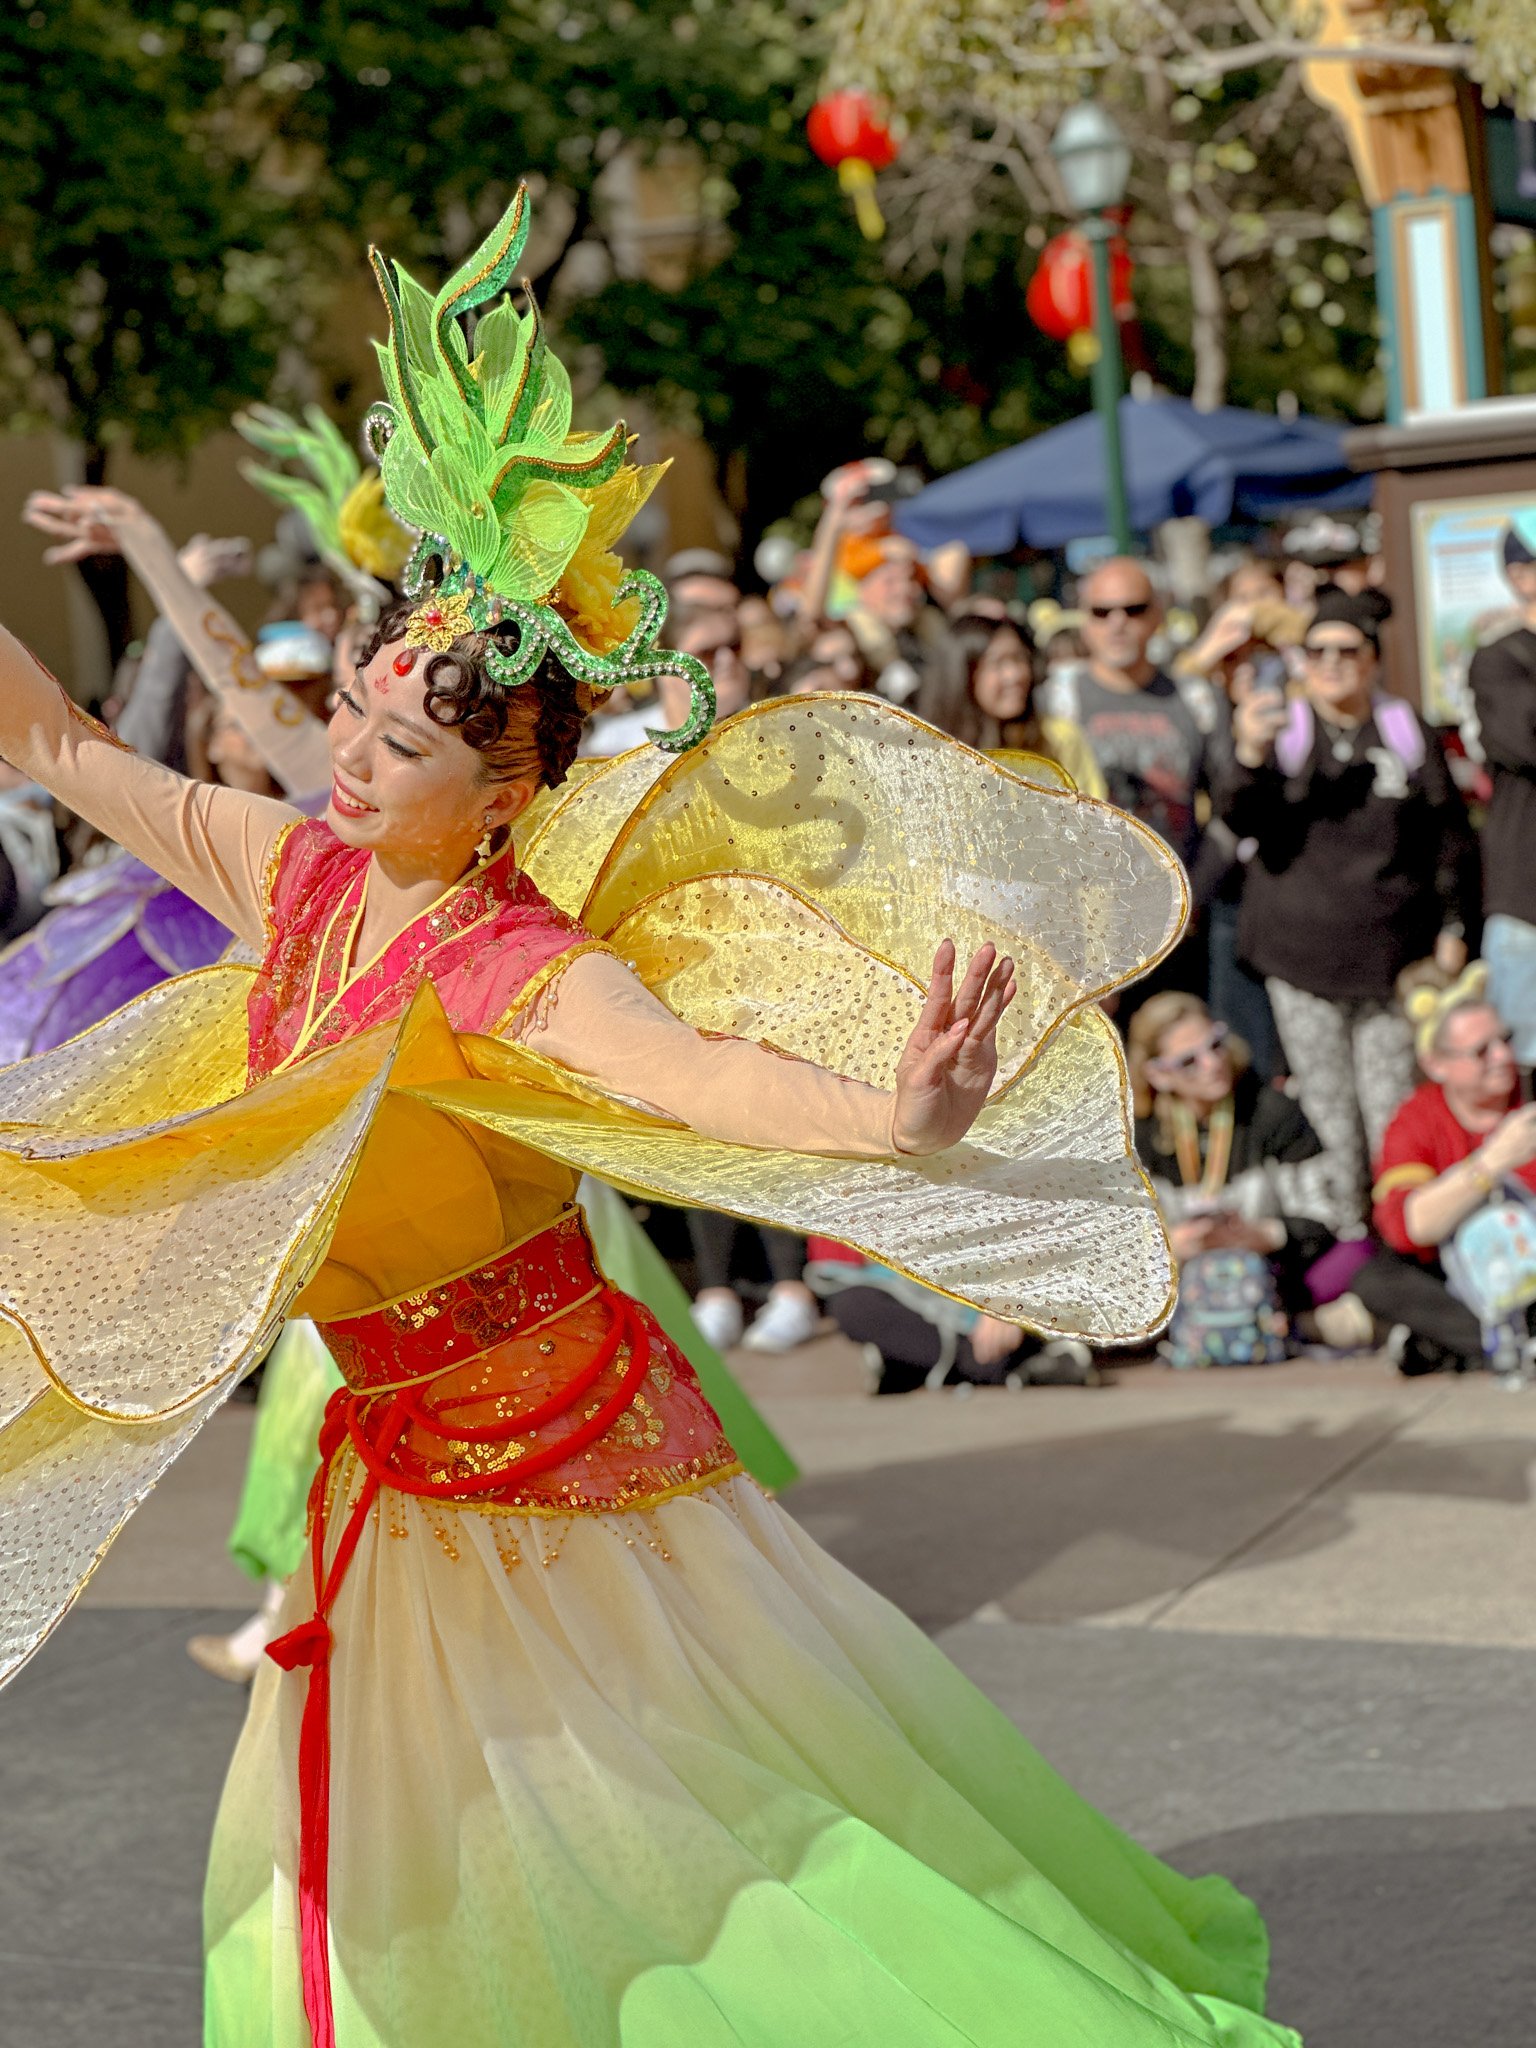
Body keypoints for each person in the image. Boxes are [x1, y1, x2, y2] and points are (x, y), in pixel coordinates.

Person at [0, 193, 1297, 2048]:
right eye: (354, 714)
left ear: (505, 781)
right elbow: (57, 747)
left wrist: (906, 1114)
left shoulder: (516, 962)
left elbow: (703, 1081)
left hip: (568, 1488)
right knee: (362, 1874)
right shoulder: (288, 867)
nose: (349, 757)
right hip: (395, 1463)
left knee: (703, 1846)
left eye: (399, 746)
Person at [1223, 586, 1480, 1230]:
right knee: (1332, 1115)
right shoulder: (1286, 729)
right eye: (1317, 651)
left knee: (1392, 1104)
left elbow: (1449, 840)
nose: (1331, 664)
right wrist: (1249, 755)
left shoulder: (1403, 729)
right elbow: (1243, 820)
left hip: (1394, 961)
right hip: (1303, 959)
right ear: (1301, 660)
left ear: (1372, 660)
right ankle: (1349, 1245)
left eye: (1347, 651)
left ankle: (1401, 1239)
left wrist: (1453, 928)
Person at [1128, 993, 1334, 1364]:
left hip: (1275, 1270)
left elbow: (1325, 1221)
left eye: (1216, 1045)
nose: (1212, 1064)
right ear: (1158, 1073)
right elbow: (1118, 1242)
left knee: (1358, 1263)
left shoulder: (1271, 1111)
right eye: (1189, 1061)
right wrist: (1172, 1247)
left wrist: (1263, 1235)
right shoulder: (1141, 1136)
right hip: (1179, 1284)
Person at [1359, 964, 1536, 1375]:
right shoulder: (1416, 1118)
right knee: (1375, 1280)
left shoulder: (1529, 1095)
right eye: (1481, 1050)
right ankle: (1506, 1342)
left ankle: (1457, 1347)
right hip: (1465, 1275)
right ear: (1437, 1063)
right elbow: (1408, 1227)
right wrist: (1492, 1163)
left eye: (1505, 1040)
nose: (1503, 1057)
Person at [1038, 557, 1230, 876]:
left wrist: (1195, 893)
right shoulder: (1055, 700)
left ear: (1157, 615)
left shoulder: (1199, 699)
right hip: (1083, 906)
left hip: (1180, 899)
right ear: (1084, 620)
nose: (1118, 623)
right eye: (1102, 612)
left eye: (1134, 609)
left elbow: (1229, 807)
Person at [1468, 520, 1536, 1068]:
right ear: (1520, 574)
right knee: (1520, 1065)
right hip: (1527, 900)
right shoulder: (1499, 661)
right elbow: (1523, 740)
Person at [917, 607, 1105, 796]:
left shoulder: (1059, 739)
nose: (1015, 675)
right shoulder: (929, 755)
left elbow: (1094, 814)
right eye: (998, 663)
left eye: (1019, 658)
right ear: (962, 674)